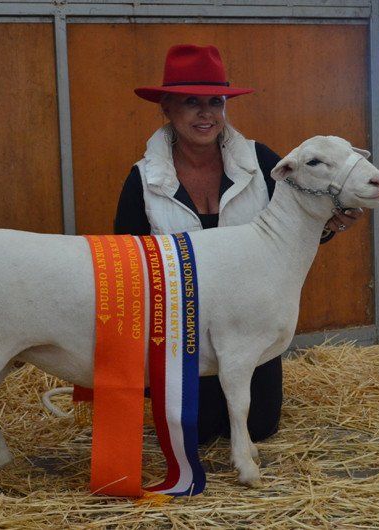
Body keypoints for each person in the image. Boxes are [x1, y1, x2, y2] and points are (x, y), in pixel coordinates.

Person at [114, 44, 364, 444]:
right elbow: (128, 261)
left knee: (260, 425)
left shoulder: (264, 161)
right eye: (191, 102)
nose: (206, 113)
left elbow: (298, 224)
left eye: (216, 102)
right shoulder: (142, 180)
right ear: (167, 108)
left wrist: (332, 222)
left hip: (248, 326)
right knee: (196, 432)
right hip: (179, 335)